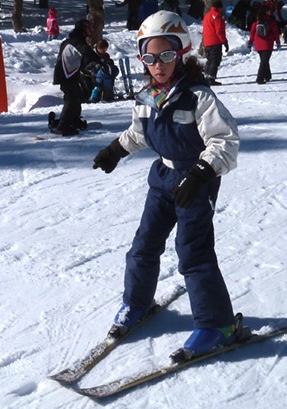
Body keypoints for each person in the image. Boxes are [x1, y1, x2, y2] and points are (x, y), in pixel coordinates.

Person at [92, 10, 241, 360]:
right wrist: (115, 150)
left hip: (195, 181)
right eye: (150, 57)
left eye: (167, 55)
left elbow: (225, 141)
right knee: (143, 245)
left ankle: (217, 324)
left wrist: (202, 173)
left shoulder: (199, 98)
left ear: (182, 53)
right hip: (162, 178)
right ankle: (137, 304)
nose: (158, 64)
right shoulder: (147, 98)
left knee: (193, 252)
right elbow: (139, 133)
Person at [52, 19, 102, 135]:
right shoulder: (77, 41)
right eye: (89, 29)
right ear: (84, 29)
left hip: (68, 73)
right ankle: (64, 125)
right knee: (72, 99)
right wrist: (100, 61)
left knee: (77, 96)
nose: (91, 31)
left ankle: (73, 120)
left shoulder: (70, 41)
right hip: (66, 74)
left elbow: (80, 56)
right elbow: (87, 53)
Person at [248, 5, 280, 84]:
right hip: (267, 44)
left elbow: (252, 33)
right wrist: (278, 42)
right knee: (264, 61)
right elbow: (275, 32)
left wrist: (250, 42)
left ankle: (267, 75)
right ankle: (260, 78)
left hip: (258, 44)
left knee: (264, 60)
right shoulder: (270, 21)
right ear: (266, 11)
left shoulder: (256, 22)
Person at [202, 1, 229, 85]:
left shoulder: (208, 15)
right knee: (215, 60)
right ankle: (211, 77)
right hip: (215, 41)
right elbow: (219, 31)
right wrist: (224, 42)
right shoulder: (217, 16)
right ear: (219, 7)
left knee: (209, 59)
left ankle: (206, 76)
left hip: (207, 42)